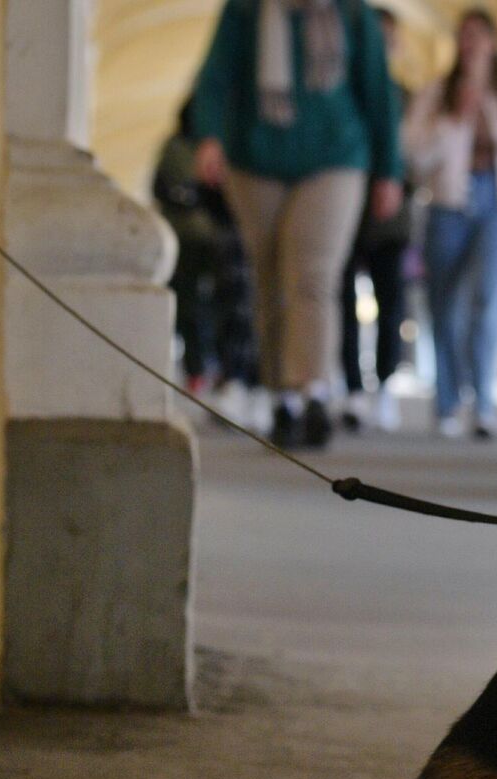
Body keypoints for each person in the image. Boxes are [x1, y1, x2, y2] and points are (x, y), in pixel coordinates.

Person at [189, 0, 404, 450]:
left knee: (314, 274)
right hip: (255, 158)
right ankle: (281, 396)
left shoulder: (352, 15)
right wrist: (208, 136)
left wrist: (389, 170)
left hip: (336, 157)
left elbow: (378, 93)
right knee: (269, 278)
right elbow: (214, 77)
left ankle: (313, 392)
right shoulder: (246, 12)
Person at [405, 8, 497, 440]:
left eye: (479, 35)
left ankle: (484, 400)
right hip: (448, 204)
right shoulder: (436, 95)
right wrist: (454, 119)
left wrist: (487, 110)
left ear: (494, 44)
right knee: (444, 305)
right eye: (465, 36)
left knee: (487, 302)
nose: (471, 43)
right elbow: (415, 156)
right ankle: (446, 400)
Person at [154, 102, 259, 412]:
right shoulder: (176, 148)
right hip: (184, 242)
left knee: (222, 305)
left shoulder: (222, 145)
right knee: (189, 307)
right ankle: (199, 369)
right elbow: (161, 187)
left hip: (215, 242)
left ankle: (225, 372)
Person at [338, 6, 412, 434]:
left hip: (390, 217)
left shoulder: (406, 96)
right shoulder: (344, 90)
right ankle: (351, 387)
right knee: (343, 301)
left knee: (390, 303)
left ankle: (384, 383)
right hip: (345, 209)